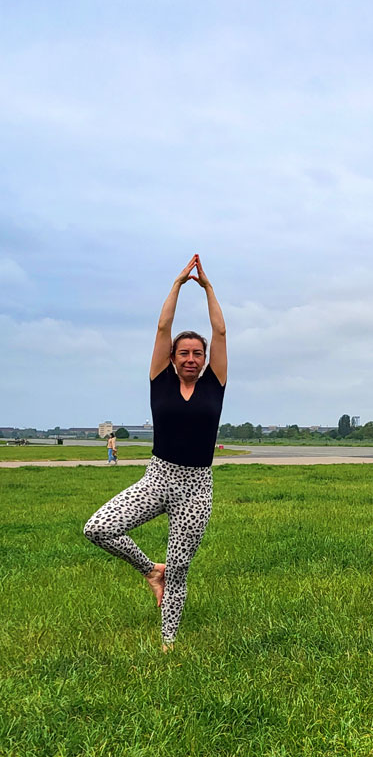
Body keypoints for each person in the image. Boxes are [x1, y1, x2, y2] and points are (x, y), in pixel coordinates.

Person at [83, 254, 227, 652]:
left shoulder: (214, 383)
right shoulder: (159, 380)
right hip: (157, 477)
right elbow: (163, 326)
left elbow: (221, 332)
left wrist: (209, 288)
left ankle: (167, 645)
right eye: (184, 353)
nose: (191, 358)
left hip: (197, 487)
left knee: (180, 568)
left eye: (197, 353)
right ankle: (150, 571)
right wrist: (179, 284)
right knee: (97, 528)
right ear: (172, 357)